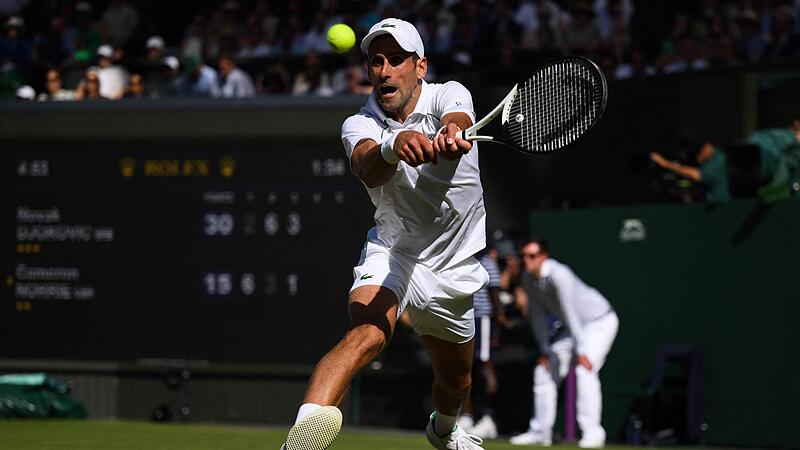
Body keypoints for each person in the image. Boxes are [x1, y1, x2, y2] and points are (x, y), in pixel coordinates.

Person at [279, 17, 489, 450]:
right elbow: (368, 164)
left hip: (454, 264)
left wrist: (450, 131)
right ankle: (296, 446)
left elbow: (456, 114)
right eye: (377, 62)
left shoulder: (449, 93)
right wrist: (395, 145)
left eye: (397, 60)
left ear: (420, 67)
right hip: (394, 252)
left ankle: (444, 432)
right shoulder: (358, 123)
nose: (385, 71)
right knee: (367, 335)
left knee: (456, 381)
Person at [510, 238, 618, 449]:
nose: (526, 261)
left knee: (585, 371)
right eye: (524, 256)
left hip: (599, 322)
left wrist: (583, 350)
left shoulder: (560, 274)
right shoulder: (528, 279)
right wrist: (544, 349)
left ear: (543, 257)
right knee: (543, 370)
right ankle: (540, 433)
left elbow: (571, 311)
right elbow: (537, 315)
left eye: (531, 256)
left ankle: (593, 434)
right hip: (574, 329)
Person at [458, 239, 503, 439]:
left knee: (485, 365)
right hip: (466, 318)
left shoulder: (488, 264)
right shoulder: (462, 260)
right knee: (464, 367)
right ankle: (466, 415)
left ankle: (488, 418)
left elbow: (495, 297)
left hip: (483, 319)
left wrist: (497, 327)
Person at [649, 140, 731, 204]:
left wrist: (665, 163)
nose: (697, 156)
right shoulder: (705, 161)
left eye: (699, 151)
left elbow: (697, 175)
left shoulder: (719, 159)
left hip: (722, 206)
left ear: (707, 147)